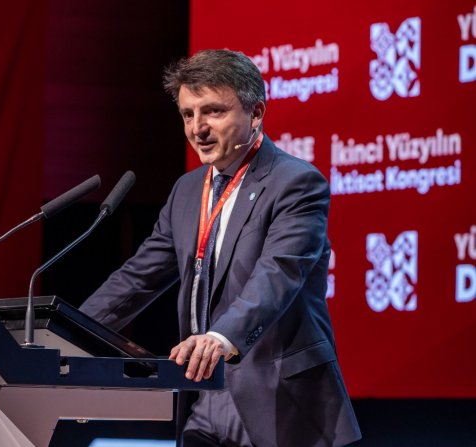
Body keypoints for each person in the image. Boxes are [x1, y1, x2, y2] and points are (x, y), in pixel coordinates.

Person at [79, 49, 361, 447]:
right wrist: (67, 334)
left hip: (278, 399)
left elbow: (277, 275)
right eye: (188, 114)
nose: (198, 129)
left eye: (213, 111)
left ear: (256, 112)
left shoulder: (296, 183)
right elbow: (137, 279)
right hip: (203, 397)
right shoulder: (187, 190)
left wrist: (220, 337)